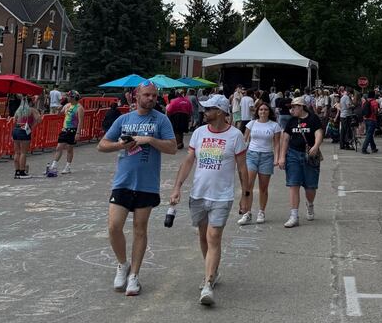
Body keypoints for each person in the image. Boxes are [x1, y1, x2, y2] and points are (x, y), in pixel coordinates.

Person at [98, 80, 177, 296]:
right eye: (147, 95)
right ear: (136, 96)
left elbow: (172, 148)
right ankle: (122, 264)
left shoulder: (161, 120)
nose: (151, 98)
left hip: (147, 184)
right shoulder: (124, 119)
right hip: (123, 181)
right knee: (114, 226)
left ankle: (134, 275)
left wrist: (150, 140)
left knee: (139, 229)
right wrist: (119, 145)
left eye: (154, 95)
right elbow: (102, 145)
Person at [169, 94, 247, 306]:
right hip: (198, 194)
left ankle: (208, 283)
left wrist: (245, 196)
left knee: (214, 237)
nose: (204, 112)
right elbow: (188, 162)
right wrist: (177, 187)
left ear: (220, 112)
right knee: (203, 237)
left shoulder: (235, 135)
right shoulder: (199, 133)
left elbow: (242, 168)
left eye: (209, 109)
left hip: (221, 196)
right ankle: (212, 270)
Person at [278, 97, 324, 228]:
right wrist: (282, 157)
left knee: (310, 186)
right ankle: (294, 215)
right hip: (293, 154)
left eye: (294, 107)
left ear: (301, 107)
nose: (291, 110)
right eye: (291, 107)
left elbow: (319, 133)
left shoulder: (313, 119)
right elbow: (285, 139)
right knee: (293, 184)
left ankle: (310, 204)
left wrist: (316, 146)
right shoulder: (291, 121)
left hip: (309, 155)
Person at [238, 102, 282, 225]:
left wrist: (277, 158)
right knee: (248, 185)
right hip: (251, 155)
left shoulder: (274, 125)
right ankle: (247, 213)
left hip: (267, 156)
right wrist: (240, 156)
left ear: (269, 112)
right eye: (261, 109)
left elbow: (277, 143)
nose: (263, 111)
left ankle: (261, 211)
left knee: (263, 187)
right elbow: (244, 140)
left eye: (265, 109)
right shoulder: (251, 124)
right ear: (257, 111)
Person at [48, 90, 84, 174]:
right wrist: (59, 109)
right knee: (59, 147)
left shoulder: (79, 108)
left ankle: (68, 166)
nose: (67, 98)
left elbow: (80, 121)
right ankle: (54, 165)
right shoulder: (67, 105)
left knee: (69, 149)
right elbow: (59, 114)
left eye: (69, 96)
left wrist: (78, 133)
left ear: (74, 97)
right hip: (64, 129)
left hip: (72, 130)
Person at [12, 96, 41, 179]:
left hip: (16, 129)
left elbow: (14, 120)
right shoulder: (32, 110)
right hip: (24, 130)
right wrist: (33, 125)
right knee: (23, 152)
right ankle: (22, 171)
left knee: (17, 152)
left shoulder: (18, 110)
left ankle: (17, 171)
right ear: (30, 102)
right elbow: (39, 120)